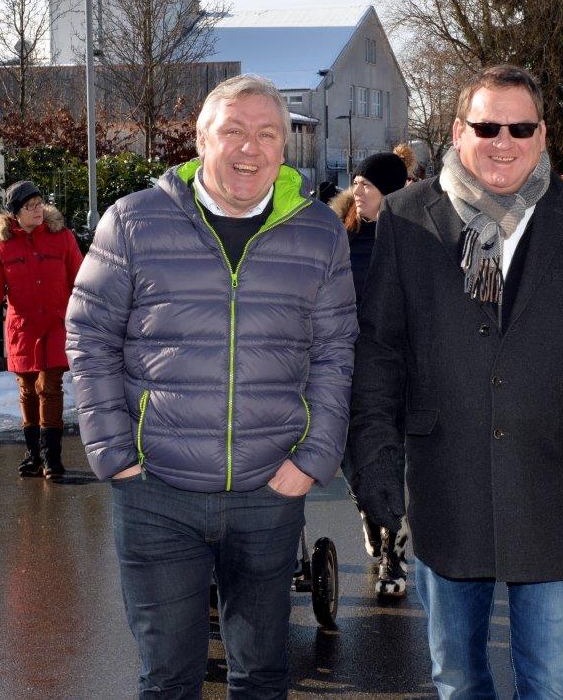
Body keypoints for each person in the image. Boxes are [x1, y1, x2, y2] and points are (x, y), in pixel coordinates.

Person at [348, 64, 563, 698]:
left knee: (550, 683)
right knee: (459, 679)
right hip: (447, 489)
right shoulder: (407, 218)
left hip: (547, 487)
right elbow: (379, 353)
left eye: (520, 127)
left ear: (541, 135)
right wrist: (375, 462)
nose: (503, 141)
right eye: (488, 126)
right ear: (458, 132)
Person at [65, 74, 357, 698]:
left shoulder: (319, 231)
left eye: (267, 134)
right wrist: (115, 454)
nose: (250, 148)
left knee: (263, 675)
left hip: (268, 491)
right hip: (156, 492)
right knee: (168, 677)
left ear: (284, 148)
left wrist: (313, 458)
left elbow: (335, 351)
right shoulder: (134, 222)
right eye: (233, 131)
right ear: (201, 140)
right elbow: (89, 337)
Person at [332, 152, 409, 596]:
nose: (357, 191)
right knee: (350, 455)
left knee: (388, 455)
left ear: (391, 193)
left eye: (368, 185)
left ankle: (391, 554)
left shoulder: (412, 240)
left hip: (396, 369)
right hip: (346, 365)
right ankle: (370, 512)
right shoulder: (340, 237)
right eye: (356, 182)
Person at [0, 180, 83, 481]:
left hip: (56, 325)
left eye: (39, 204)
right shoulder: (2, 244)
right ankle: (34, 455)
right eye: (29, 206)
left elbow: (81, 279)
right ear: (15, 214)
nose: (37, 210)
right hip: (22, 329)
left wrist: (91, 317)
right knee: (27, 390)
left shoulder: (62, 237)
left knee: (49, 387)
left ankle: (51, 457)